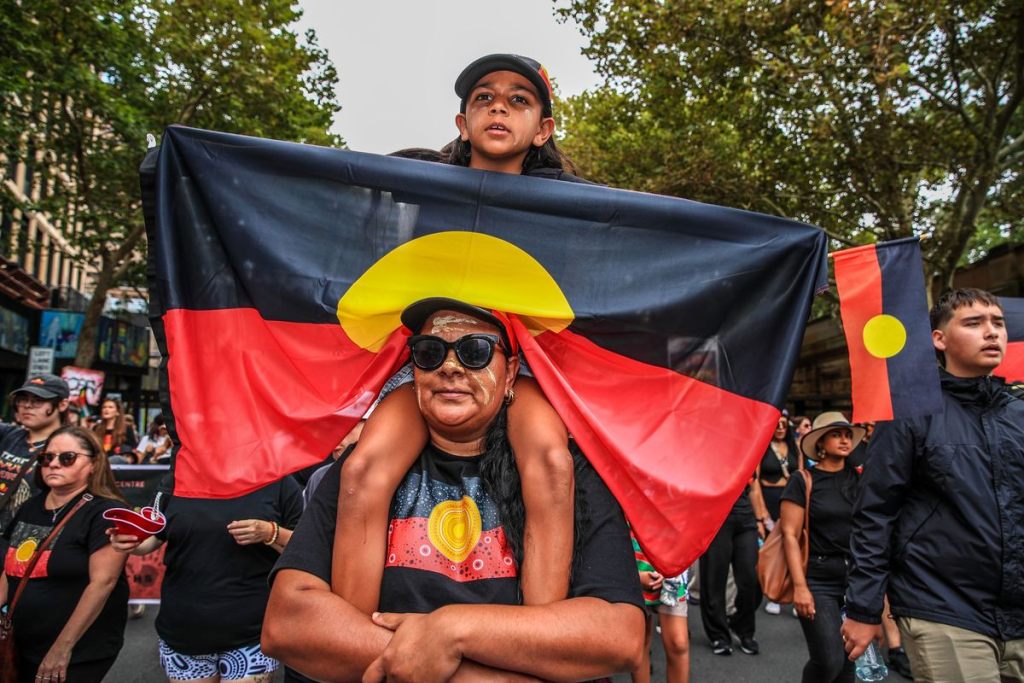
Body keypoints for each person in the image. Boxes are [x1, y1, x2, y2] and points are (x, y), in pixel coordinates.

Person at [263, 299, 645, 682]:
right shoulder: (360, 469)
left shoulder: (571, 473)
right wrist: (462, 670)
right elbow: (287, 623)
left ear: (510, 373)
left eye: (475, 351)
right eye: (430, 352)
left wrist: (453, 630)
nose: (449, 366)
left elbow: (619, 635)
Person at [332, 54, 589, 617]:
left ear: (543, 129)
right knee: (362, 470)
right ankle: (353, 640)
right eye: (484, 98)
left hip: (520, 367)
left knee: (552, 464)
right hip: (431, 362)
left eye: (519, 99)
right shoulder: (419, 192)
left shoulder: (575, 211)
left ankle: (534, 641)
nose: (499, 107)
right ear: (462, 123)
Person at [842, 288, 1024, 683]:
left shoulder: (1018, 411)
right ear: (938, 339)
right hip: (944, 609)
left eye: (998, 323)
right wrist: (863, 609)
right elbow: (875, 513)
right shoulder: (909, 410)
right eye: (973, 323)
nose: (991, 332)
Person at [110, 468, 303, 682]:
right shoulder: (175, 481)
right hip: (183, 629)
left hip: (252, 631)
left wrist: (270, 532)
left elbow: (305, 547)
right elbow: (153, 537)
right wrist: (131, 541)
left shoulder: (278, 482)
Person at [0, 426, 130, 682]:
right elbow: (10, 570)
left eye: (67, 458)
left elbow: (103, 584)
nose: (54, 464)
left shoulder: (106, 512)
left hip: (78, 652)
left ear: (94, 464)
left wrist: (61, 649)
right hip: (20, 644)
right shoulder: (30, 507)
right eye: (46, 457)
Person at [781, 411, 866, 683]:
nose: (844, 440)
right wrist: (800, 587)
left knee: (848, 661)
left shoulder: (858, 480)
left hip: (854, 578)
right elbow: (790, 536)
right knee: (828, 660)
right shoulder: (803, 480)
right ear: (820, 442)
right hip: (818, 578)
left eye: (847, 435)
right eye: (836, 434)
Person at [699, 475, 764, 656]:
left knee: (752, 579)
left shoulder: (745, 456)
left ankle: (741, 626)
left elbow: (754, 486)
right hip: (714, 517)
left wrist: (759, 520)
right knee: (714, 579)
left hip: (745, 518)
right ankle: (718, 634)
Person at [0, 374, 71, 538]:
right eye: (22, 399)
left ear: (62, 405)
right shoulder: (8, 435)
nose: (27, 406)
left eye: (38, 400)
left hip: (28, 540)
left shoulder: (70, 448)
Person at [754, 413, 801, 615]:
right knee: (772, 548)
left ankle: (795, 592)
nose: (780, 428)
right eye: (776, 424)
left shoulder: (795, 447)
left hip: (791, 500)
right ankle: (773, 592)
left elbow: (801, 474)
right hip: (770, 499)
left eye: (784, 424)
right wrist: (762, 510)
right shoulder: (762, 448)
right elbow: (755, 481)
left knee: (795, 545)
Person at [633, 531, 689, 683]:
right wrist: (634, 575)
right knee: (641, 641)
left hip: (673, 562)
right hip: (634, 561)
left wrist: (673, 566)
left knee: (678, 643)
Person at [93, 397, 137, 463]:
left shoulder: (126, 428)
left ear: (117, 412)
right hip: (99, 462)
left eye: (110, 407)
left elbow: (133, 449)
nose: (106, 409)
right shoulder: (96, 428)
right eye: (104, 407)